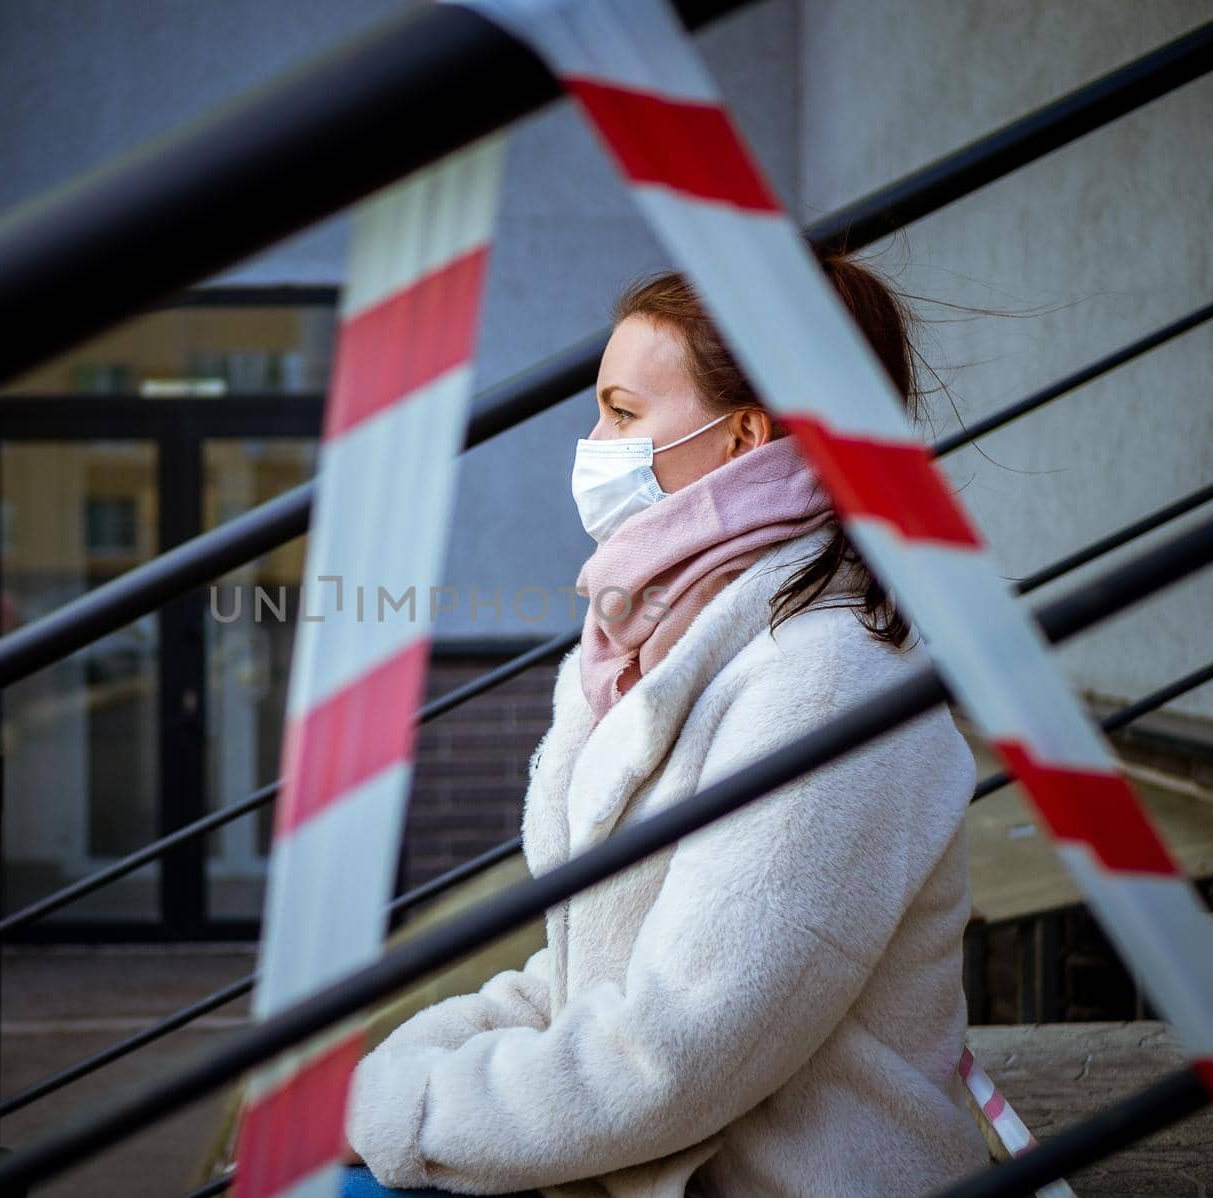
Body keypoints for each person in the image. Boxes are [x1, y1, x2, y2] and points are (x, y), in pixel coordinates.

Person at [340, 250, 993, 1198]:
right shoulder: (656, 643)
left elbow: (670, 1056)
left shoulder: (826, 682)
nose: (592, 440)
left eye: (622, 412)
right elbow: (585, 970)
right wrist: (383, 1085)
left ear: (744, 440)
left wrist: (408, 1113)